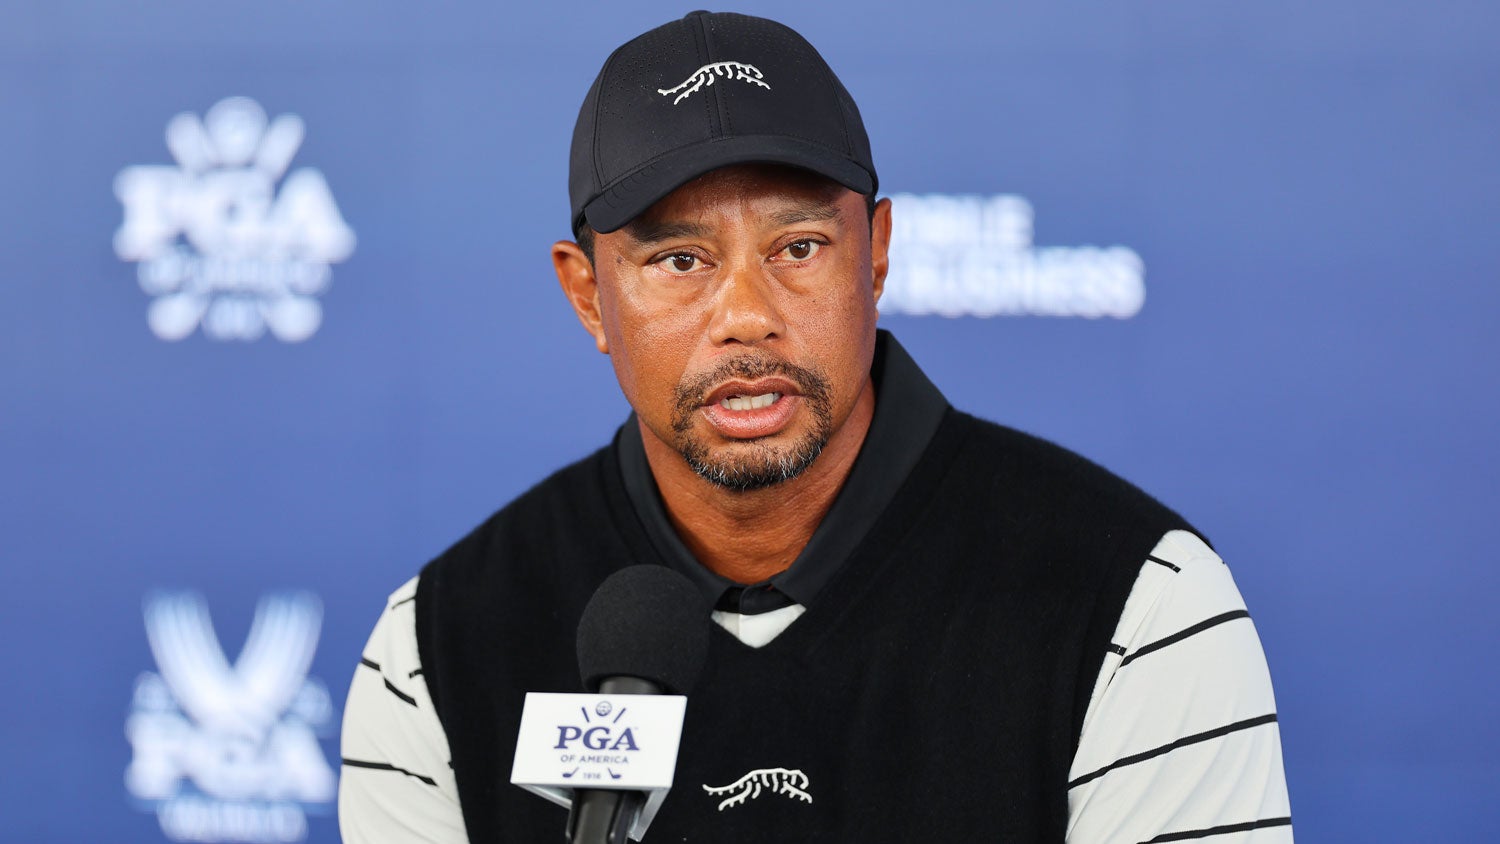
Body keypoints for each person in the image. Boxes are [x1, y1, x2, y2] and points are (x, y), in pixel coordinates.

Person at [339, 11, 1292, 843]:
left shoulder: (1136, 604)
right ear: (588, 295)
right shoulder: (434, 649)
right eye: (680, 261)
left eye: (798, 247)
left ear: (875, 256)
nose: (746, 316)